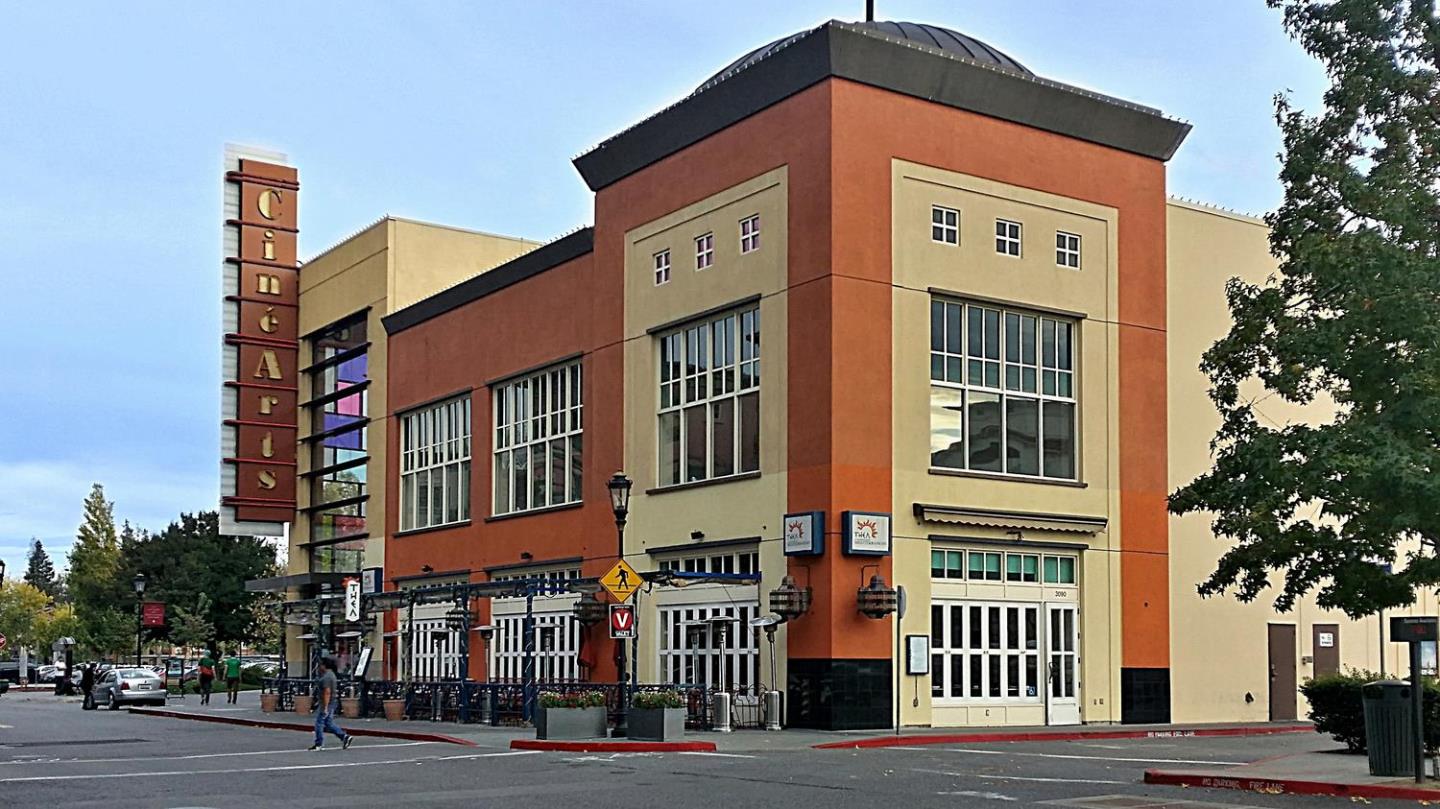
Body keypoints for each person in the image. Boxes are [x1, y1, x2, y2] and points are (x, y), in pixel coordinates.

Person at [309, 656, 352, 751]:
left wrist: (325, 707)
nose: (319, 666)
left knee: (319, 723)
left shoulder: (327, 677)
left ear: (324, 666)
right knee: (328, 723)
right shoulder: (330, 675)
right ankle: (344, 736)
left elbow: (327, 692)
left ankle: (318, 743)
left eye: (320, 665)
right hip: (331, 701)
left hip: (327, 702)